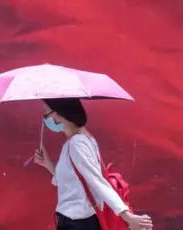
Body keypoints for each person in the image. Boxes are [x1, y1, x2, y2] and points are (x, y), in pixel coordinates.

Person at [34, 98, 153, 230]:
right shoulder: (78, 141)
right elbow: (72, 182)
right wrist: (47, 163)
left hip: (77, 222)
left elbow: (96, 181)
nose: (45, 119)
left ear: (59, 113)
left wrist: (126, 216)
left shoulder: (76, 144)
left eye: (46, 113)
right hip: (74, 221)